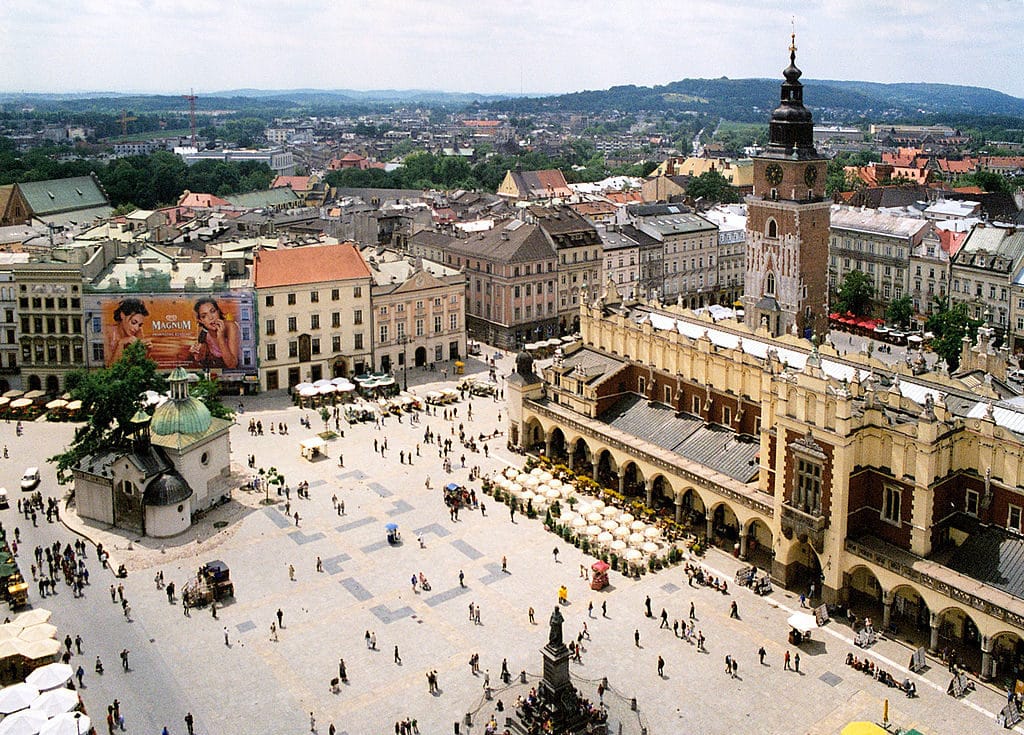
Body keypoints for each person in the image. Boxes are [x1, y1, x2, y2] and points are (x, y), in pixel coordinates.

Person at [189, 297, 241, 369]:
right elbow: (201, 358)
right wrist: (196, 354)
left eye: (213, 311)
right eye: (204, 316)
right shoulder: (204, 333)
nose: (211, 317)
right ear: (201, 321)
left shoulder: (231, 327)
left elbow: (232, 365)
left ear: (218, 311)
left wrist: (220, 338)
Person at [107, 298, 152, 363]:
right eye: (133, 322)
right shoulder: (109, 332)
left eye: (140, 325)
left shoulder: (138, 332)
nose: (136, 328)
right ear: (122, 315)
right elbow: (111, 368)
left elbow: (140, 364)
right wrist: (121, 344)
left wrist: (147, 351)